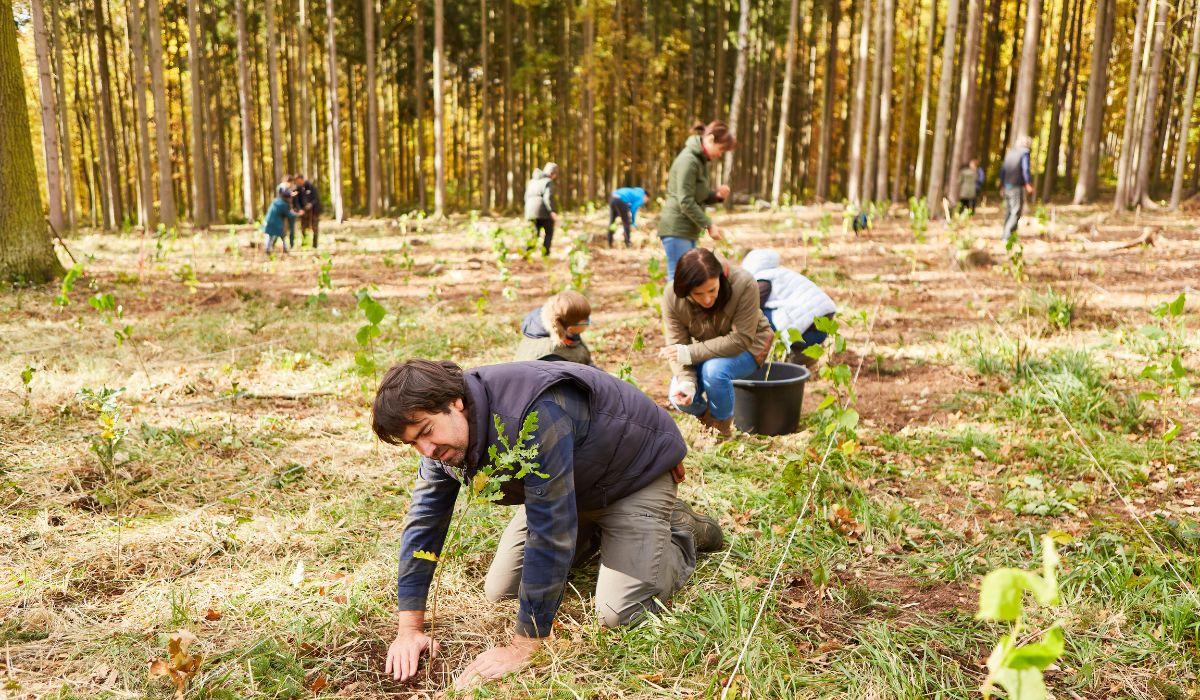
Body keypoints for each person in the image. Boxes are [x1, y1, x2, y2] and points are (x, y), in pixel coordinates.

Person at [373, 359, 723, 690]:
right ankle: (602, 533)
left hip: (632, 478)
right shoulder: (442, 444)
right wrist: (410, 629)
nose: (426, 450)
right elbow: (425, 521)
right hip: (567, 487)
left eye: (427, 432)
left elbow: (551, 529)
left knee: (619, 612)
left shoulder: (530, 414)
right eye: (413, 443)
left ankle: (677, 528)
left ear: (455, 402)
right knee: (502, 590)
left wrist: (524, 645)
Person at [660, 248, 773, 437]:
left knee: (713, 371)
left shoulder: (743, 283)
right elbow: (677, 345)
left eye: (712, 290)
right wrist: (687, 381)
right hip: (709, 348)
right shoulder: (672, 297)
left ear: (720, 278)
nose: (707, 299)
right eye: (698, 294)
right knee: (677, 395)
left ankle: (722, 428)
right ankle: (707, 419)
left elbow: (742, 338)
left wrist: (690, 353)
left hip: (751, 345)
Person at [658, 122, 736, 281]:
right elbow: (685, 201)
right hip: (676, 228)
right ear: (710, 139)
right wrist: (708, 224)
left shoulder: (700, 161)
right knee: (678, 279)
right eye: (720, 149)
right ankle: (671, 307)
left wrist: (717, 196)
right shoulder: (689, 160)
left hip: (688, 230)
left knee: (689, 279)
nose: (720, 154)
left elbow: (698, 195)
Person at [740, 249, 837, 370]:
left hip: (808, 321)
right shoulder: (780, 274)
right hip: (823, 323)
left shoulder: (762, 279)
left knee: (756, 315)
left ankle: (768, 360)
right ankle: (800, 359)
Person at [513, 290, 594, 365]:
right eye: (586, 320)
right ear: (570, 328)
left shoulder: (557, 325)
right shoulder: (553, 356)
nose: (589, 321)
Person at [998, 136, 1034, 240]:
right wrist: (1028, 183)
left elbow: (1003, 170)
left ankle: (1005, 235)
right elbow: (1025, 169)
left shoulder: (1010, 153)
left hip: (1007, 186)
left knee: (1009, 211)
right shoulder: (1024, 153)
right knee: (1016, 211)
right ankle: (1008, 237)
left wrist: (1002, 185)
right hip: (1016, 186)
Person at [523, 162, 559, 255]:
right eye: (555, 174)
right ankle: (545, 254)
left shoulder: (532, 181)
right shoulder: (548, 182)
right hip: (543, 212)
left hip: (530, 212)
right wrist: (552, 211)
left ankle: (527, 253)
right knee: (549, 232)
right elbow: (548, 198)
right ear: (552, 173)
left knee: (533, 233)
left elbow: (526, 197)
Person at [261, 190, 298, 255]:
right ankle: (270, 249)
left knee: (272, 236)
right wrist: (297, 214)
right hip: (276, 223)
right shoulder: (283, 204)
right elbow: (289, 215)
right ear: (287, 198)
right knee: (279, 235)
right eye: (290, 197)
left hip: (269, 221)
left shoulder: (276, 201)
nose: (291, 199)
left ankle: (271, 248)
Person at [292, 174, 322, 249]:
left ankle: (314, 245)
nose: (297, 183)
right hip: (304, 212)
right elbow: (296, 201)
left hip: (314, 211)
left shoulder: (311, 186)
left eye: (298, 181)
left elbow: (316, 198)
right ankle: (304, 244)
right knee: (303, 228)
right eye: (296, 182)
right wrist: (300, 209)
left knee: (315, 228)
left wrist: (311, 204)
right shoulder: (297, 189)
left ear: (301, 179)